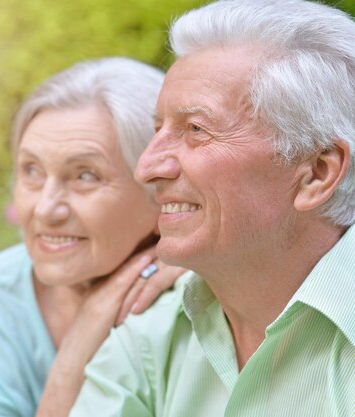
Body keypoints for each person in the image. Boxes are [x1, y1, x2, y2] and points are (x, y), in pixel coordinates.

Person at [70, 1, 354, 416]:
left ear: (316, 172)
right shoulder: (154, 334)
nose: (147, 168)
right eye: (157, 130)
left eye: (195, 130)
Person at [0, 57, 187, 417]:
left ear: (160, 193)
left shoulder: (206, 302)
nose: (45, 209)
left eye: (85, 175)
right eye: (31, 171)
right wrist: (72, 363)